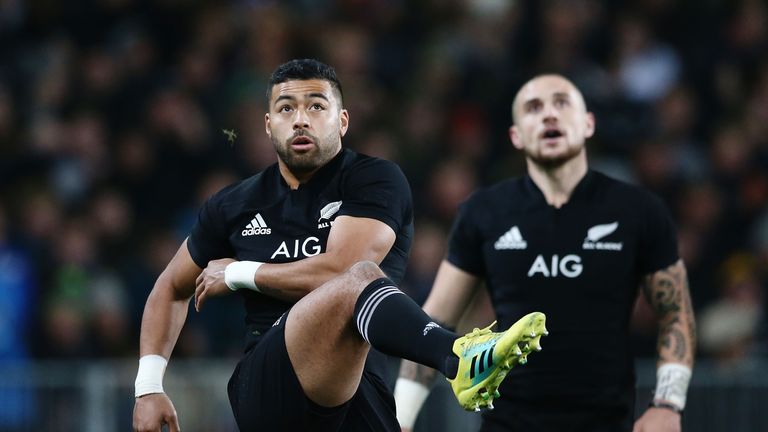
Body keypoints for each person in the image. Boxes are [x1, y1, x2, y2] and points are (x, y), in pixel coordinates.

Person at [132, 59, 546, 432]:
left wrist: (240, 273)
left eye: (316, 106)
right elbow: (169, 288)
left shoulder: (374, 180)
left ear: (342, 121)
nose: (300, 120)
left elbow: (338, 269)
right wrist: (148, 386)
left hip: (355, 384)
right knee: (362, 278)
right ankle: (459, 358)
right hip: (269, 384)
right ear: (267, 124)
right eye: (285, 108)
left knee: (356, 275)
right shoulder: (233, 203)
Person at [394, 74, 696, 432]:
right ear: (516, 135)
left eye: (562, 103)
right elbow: (435, 323)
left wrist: (668, 403)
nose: (549, 115)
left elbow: (675, 312)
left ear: (588, 124)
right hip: (508, 424)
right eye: (533, 108)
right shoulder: (484, 212)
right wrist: (400, 418)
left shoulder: (638, 210)